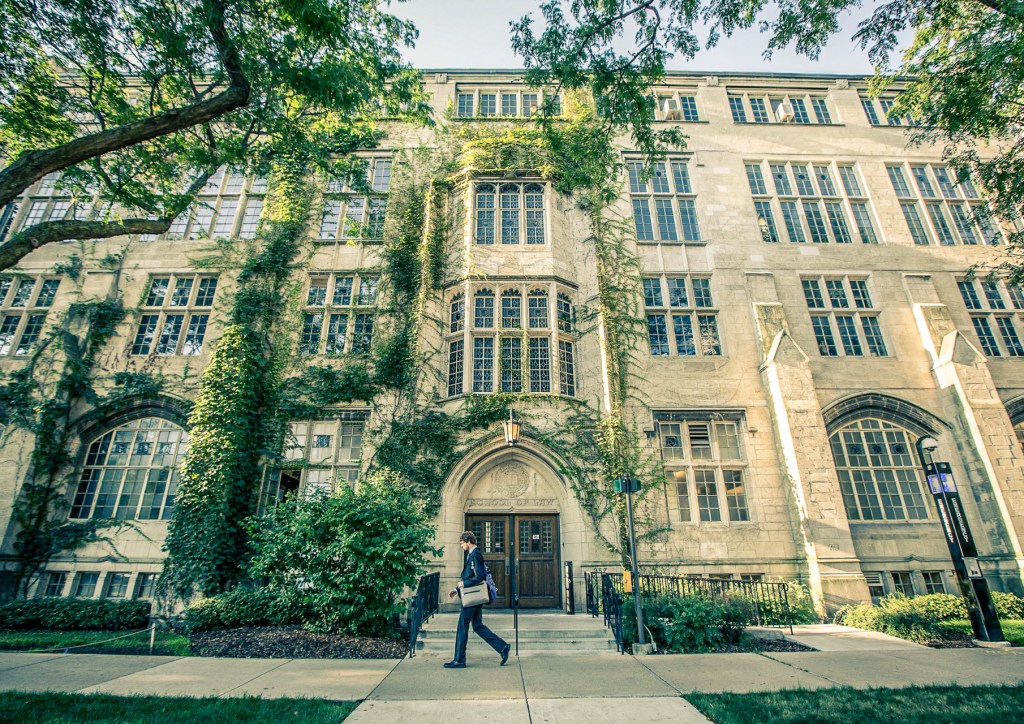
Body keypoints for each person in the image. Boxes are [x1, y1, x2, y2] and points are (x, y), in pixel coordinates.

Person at [444, 531, 511, 669]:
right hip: (474, 596)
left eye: (462, 543)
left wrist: (462, 584)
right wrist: (457, 589)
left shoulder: (476, 554)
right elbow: (472, 575)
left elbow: (480, 576)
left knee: (462, 626)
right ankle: (502, 647)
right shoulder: (472, 554)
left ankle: (459, 659)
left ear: (468, 541)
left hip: (472, 596)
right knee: (478, 626)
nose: (461, 545)